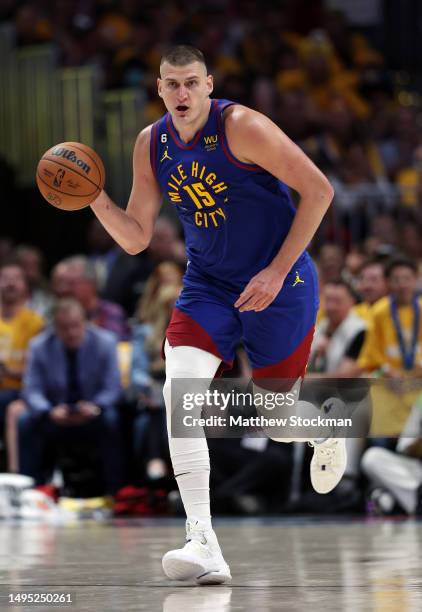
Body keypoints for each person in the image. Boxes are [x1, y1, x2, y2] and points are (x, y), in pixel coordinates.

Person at [88, 45, 345, 584]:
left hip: (282, 279)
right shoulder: (151, 144)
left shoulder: (244, 127)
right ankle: (202, 541)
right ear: (158, 89)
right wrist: (93, 198)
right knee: (179, 392)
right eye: (171, 85)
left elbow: (319, 190)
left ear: (209, 84)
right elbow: (136, 238)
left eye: (190, 83)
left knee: (277, 418)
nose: (181, 94)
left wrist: (276, 271)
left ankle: (323, 425)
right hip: (208, 284)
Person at [15, 298, 124, 496]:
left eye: (76, 326)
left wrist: (95, 407)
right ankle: (31, 492)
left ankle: (114, 491)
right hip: (55, 413)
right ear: (54, 328)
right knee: (25, 422)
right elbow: (31, 390)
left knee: (111, 419)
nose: (71, 333)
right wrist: (48, 410)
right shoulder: (39, 346)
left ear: (85, 322)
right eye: (64, 328)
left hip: (92, 413)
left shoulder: (105, 342)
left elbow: (113, 388)